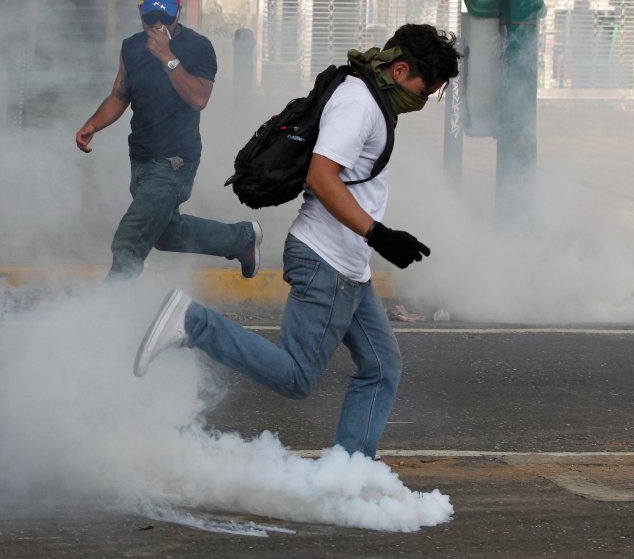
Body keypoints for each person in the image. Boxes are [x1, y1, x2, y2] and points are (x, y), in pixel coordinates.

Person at [133, 23, 461, 459]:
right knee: (296, 376)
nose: (424, 99)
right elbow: (321, 177)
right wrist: (378, 233)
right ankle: (194, 323)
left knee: (382, 367)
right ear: (400, 70)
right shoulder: (359, 103)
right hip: (326, 259)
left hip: (348, 265)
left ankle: (350, 472)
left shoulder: (370, 98)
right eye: (426, 88)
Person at [75, 0, 261, 282]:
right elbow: (120, 95)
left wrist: (167, 58)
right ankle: (240, 240)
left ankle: (109, 316)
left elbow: (199, 98)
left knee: (129, 241)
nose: (158, 23)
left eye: (165, 17)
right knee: (165, 233)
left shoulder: (198, 47)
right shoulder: (132, 47)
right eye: (150, 17)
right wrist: (93, 124)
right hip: (142, 158)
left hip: (175, 161)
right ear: (140, 13)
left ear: (178, 13)